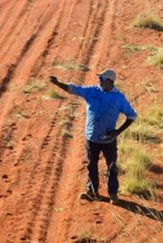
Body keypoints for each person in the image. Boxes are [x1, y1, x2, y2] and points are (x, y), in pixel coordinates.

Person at [49, 69, 137, 205]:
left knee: (112, 166)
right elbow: (73, 89)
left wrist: (118, 131)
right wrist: (58, 83)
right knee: (91, 165)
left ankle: (113, 193)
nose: (99, 81)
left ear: (110, 82)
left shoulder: (119, 98)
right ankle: (92, 191)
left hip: (109, 140)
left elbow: (131, 116)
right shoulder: (92, 91)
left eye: (102, 79)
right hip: (92, 138)